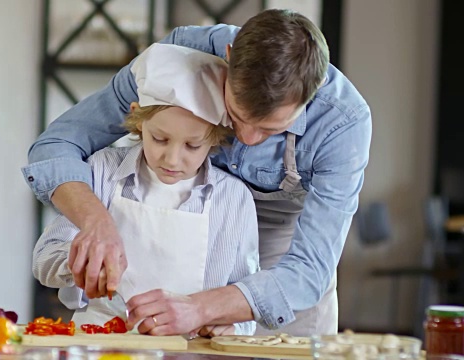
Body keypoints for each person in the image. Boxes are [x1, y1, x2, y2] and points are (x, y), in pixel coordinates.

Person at [22, 9, 372, 336]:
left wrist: (203, 309)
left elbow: (309, 271)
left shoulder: (343, 123)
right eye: (236, 116)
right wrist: (95, 222)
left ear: (310, 96)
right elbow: (57, 145)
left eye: (271, 129)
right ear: (230, 57)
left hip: (289, 250)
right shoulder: (173, 61)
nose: (247, 139)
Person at [31, 43, 259, 336]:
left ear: (215, 138)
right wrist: (78, 261)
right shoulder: (103, 172)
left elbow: (247, 307)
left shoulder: (233, 200)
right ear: (138, 120)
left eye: (192, 145)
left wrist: (227, 326)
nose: (172, 159)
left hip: (188, 353)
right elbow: (43, 261)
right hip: (101, 340)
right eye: (160, 139)